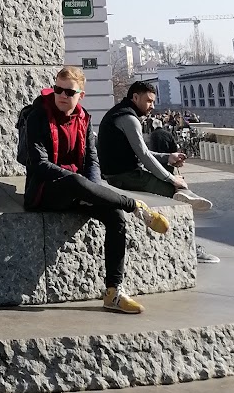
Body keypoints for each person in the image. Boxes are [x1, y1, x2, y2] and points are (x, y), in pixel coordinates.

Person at [21, 69, 171, 315]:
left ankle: (113, 291)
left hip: (79, 189)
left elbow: (92, 160)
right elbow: (39, 164)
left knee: (115, 216)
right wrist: (82, 184)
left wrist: (93, 190)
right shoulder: (38, 116)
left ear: (80, 95)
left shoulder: (84, 118)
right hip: (45, 191)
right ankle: (136, 206)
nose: (61, 95)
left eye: (68, 92)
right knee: (76, 181)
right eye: (58, 89)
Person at [98, 82, 220, 265]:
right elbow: (144, 155)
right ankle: (191, 245)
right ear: (135, 97)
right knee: (175, 195)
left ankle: (188, 196)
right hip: (125, 176)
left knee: (177, 191)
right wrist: (171, 178)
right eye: (149, 101)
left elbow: (138, 152)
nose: (152, 106)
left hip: (119, 173)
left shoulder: (119, 113)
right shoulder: (128, 119)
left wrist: (167, 157)